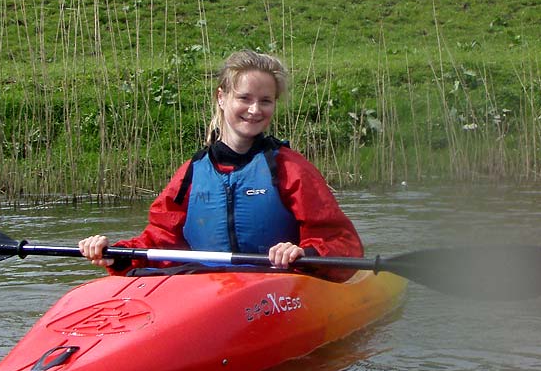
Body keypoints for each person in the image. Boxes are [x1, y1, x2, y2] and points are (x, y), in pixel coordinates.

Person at [77, 50, 363, 277]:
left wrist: (303, 253)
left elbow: (343, 243)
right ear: (222, 97)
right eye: (244, 98)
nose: (255, 110)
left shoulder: (291, 169)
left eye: (266, 101)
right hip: (207, 288)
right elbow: (160, 240)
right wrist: (115, 253)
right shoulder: (191, 172)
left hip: (275, 285)